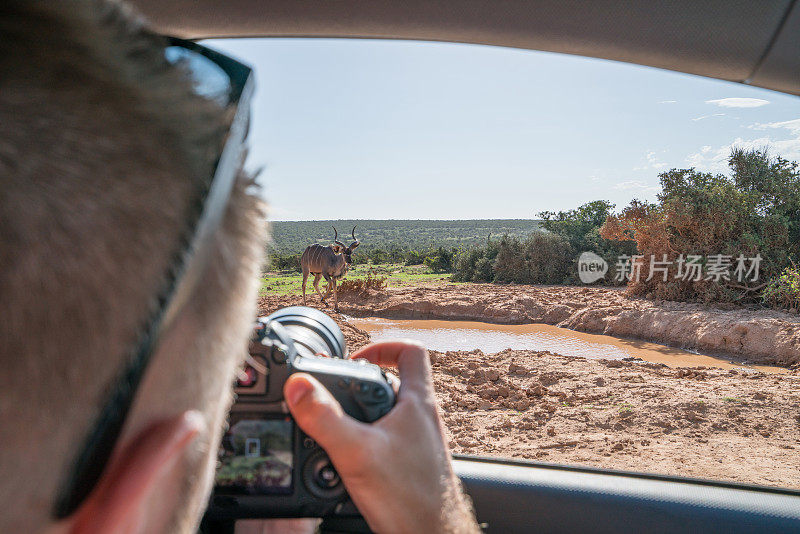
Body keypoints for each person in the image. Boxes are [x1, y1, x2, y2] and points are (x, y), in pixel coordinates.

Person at [0, 1, 480, 533]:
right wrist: (435, 516)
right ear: (129, 509)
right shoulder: (319, 262)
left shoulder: (338, 260)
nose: (334, 261)